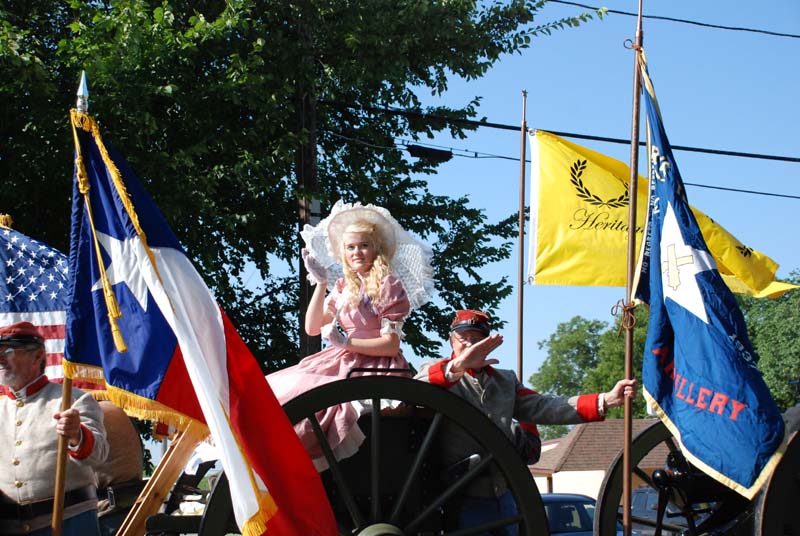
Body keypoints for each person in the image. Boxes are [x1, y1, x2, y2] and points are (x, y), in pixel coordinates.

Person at [415, 309, 637, 535]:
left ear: (489, 345)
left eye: (477, 341)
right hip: (460, 498)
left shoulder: (505, 381)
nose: (470, 346)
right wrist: (459, 366)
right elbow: (414, 389)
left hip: (505, 496)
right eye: (464, 340)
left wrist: (605, 400)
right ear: (452, 342)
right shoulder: (435, 372)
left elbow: (544, 405)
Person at [268, 200, 433, 468]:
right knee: (284, 385)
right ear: (343, 253)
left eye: (364, 245)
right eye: (351, 247)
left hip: (375, 364)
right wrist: (321, 284)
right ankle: (272, 449)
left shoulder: (388, 285)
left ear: (376, 248)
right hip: (343, 357)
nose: (357, 252)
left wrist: (347, 342)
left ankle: (294, 454)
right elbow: (312, 327)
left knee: (309, 389)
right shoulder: (344, 286)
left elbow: (391, 345)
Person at [0, 321, 109, 536]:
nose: (1, 358)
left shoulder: (74, 400)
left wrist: (77, 435)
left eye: (9, 351)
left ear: (38, 356)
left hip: (70, 523)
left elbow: (99, 455)